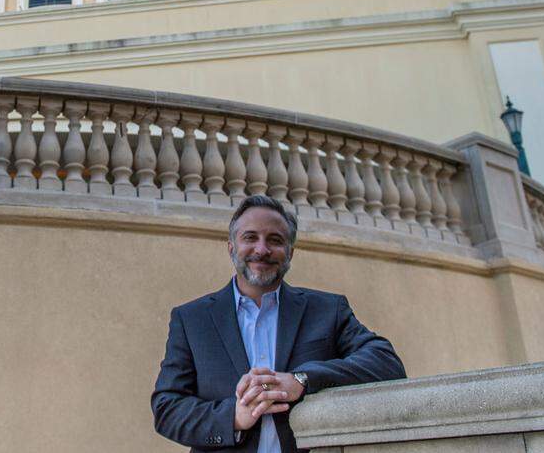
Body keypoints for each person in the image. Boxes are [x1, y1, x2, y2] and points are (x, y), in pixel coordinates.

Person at [151, 194, 406, 452]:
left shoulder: (327, 310)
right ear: (231, 247)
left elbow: (386, 362)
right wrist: (233, 418)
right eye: (250, 238)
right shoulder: (192, 319)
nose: (262, 250)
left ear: (290, 253)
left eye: (275, 240)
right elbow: (167, 407)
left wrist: (302, 379)